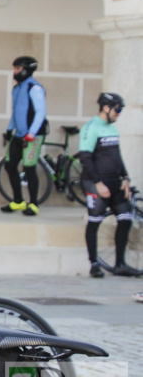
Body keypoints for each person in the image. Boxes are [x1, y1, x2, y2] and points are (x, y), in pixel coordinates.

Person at [78, 93, 136, 277]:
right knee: (94, 222)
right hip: (95, 182)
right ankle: (94, 264)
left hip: (115, 182)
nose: (119, 114)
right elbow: (85, 158)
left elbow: (117, 156)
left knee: (126, 219)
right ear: (106, 108)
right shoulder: (91, 127)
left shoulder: (112, 129)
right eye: (117, 110)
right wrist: (98, 183)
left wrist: (125, 177)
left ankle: (120, 264)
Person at [2, 56, 48, 215]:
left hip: (33, 135)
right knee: (10, 165)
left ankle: (33, 204)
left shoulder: (34, 88)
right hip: (19, 133)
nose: (15, 71)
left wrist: (31, 133)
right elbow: (16, 112)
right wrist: (9, 130)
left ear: (27, 70)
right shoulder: (16, 88)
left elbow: (40, 113)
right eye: (14, 68)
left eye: (18, 68)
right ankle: (18, 201)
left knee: (29, 168)